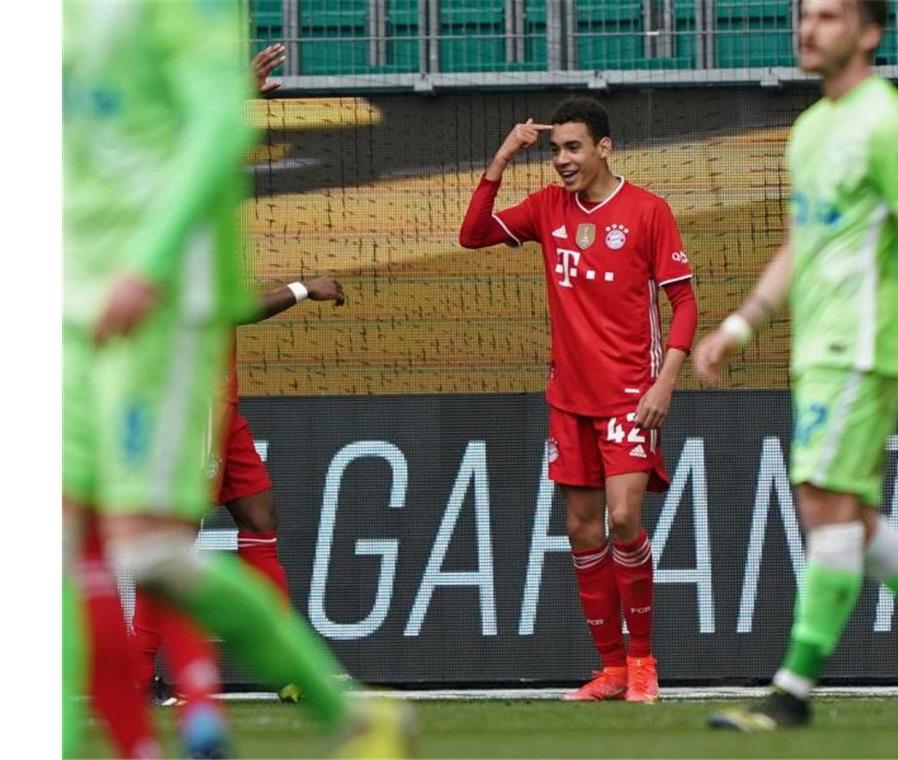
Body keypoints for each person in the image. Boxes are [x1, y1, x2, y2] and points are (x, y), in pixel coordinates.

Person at [63, 3, 405, 756]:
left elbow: (202, 136)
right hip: (78, 327)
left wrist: (147, 267)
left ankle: (300, 701)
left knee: (166, 544)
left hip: (164, 335)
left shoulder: (173, 22)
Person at [694, 0, 898, 731]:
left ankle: (791, 693)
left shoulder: (887, 121)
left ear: (869, 32)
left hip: (861, 345)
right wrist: (737, 326)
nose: (807, 29)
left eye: (827, 16)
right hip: (815, 349)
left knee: (822, 501)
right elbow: (800, 244)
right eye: (803, 16)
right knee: (852, 519)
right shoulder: (809, 130)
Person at [459, 98, 699, 703]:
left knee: (623, 519)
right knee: (582, 530)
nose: (561, 160)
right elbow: (473, 234)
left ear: (604, 148)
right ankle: (611, 667)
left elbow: (685, 304)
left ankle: (643, 662)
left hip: (629, 396)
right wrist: (503, 158)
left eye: (573, 148)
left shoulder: (648, 211)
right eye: (555, 149)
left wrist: (664, 381)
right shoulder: (546, 208)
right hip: (570, 398)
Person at [133, 277, 347, 722]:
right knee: (172, 541)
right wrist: (304, 289)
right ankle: (136, 677)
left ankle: (288, 668)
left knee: (259, 515)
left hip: (223, 408)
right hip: (193, 410)